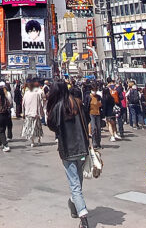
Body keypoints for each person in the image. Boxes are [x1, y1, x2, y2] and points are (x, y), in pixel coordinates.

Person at [47, 80, 91, 228]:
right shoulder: (78, 103)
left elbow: (52, 125)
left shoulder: (58, 107)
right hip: (82, 147)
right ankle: (74, 203)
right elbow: (87, 119)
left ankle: (83, 215)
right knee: (78, 181)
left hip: (68, 149)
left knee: (75, 184)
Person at [22, 80, 45, 147]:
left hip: (28, 113)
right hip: (36, 113)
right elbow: (39, 104)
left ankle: (32, 141)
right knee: (38, 128)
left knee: (30, 128)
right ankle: (39, 140)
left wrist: (23, 112)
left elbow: (23, 104)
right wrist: (41, 112)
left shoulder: (26, 94)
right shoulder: (36, 94)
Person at [0, 82, 13, 152]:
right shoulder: (5, 98)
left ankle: (5, 145)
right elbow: (9, 105)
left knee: (0, 130)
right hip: (5, 115)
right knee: (2, 130)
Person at [88, 84, 103, 149]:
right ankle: (94, 143)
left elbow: (101, 105)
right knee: (93, 128)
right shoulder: (88, 97)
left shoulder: (98, 97)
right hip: (91, 113)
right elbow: (86, 105)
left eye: (95, 90)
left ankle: (98, 142)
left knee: (99, 129)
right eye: (93, 90)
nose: (94, 91)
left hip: (98, 113)